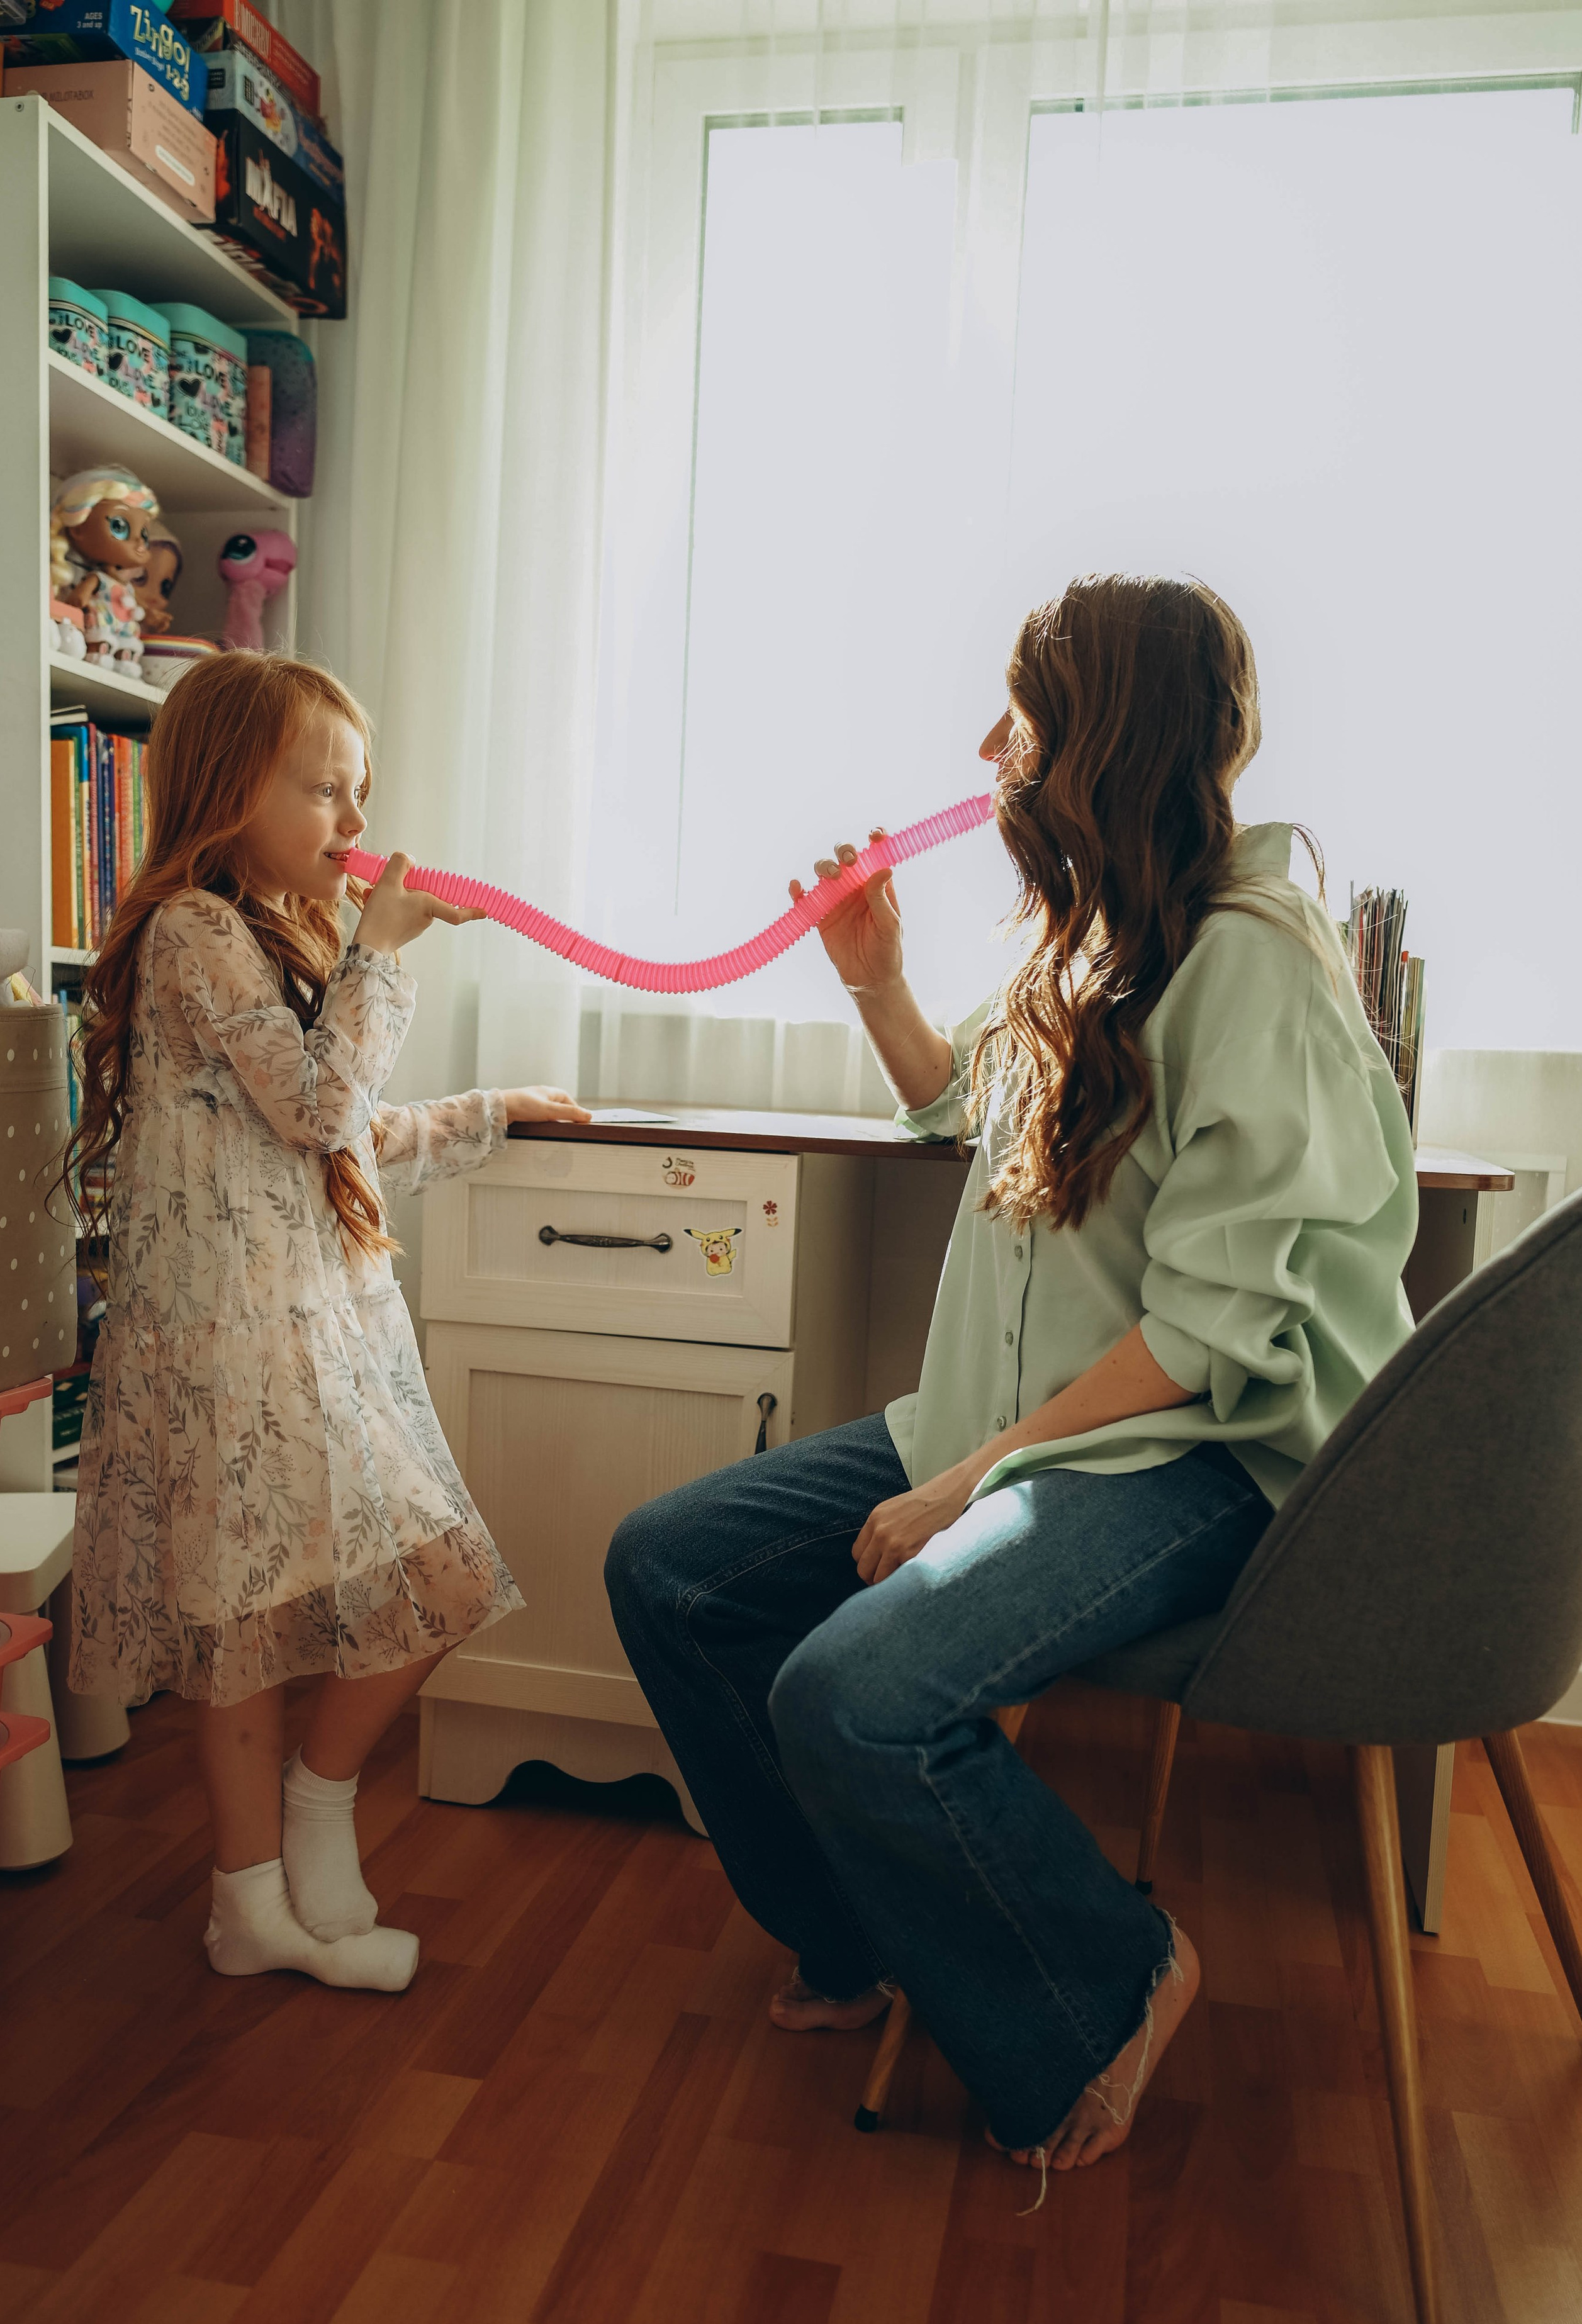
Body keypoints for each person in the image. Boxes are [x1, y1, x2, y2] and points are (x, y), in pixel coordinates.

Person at [606, 573, 1417, 2181]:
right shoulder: (1096, 938)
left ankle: (1105, 1974)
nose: (989, 748)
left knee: (852, 1697)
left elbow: (1204, 1337)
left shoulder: (1252, 958)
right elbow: (947, 1112)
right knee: (672, 1572)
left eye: (1023, 718)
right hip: (1007, 1429)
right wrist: (868, 975)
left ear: (1103, 740)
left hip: (1182, 1455)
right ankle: (870, 1932)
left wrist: (963, 1490)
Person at [66, 651, 588, 1992]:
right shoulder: (192, 933)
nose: (356, 828)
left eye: (362, 797)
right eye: (327, 793)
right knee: (243, 1631)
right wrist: (386, 960)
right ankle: (250, 1903)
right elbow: (315, 1105)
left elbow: (326, 1137)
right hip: (227, 1347)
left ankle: (311, 1813)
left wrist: (491, 1114)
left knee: (437, 1581)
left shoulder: (274, 940)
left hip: (304, 1331)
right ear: (230, 789)